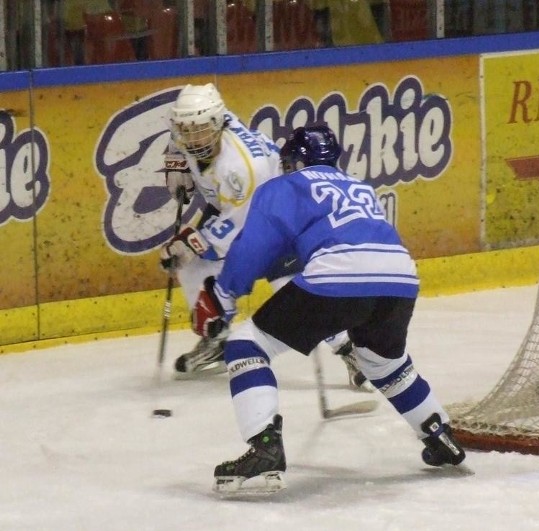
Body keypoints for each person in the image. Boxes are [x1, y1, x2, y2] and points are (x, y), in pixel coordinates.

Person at [189, 125, 466, 493]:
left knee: (246, 346)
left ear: (297, 161)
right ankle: (438, 432)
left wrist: (222, 297)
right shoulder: (358, 186)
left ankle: (263, 446)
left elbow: (254, 247)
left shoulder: (285, 185)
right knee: (384, 363)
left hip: (340, 273)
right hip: (400, 277)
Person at [159, 83, 367, 390]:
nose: (192, 138)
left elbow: (240, 227)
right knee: (191, 267)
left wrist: (192, 243)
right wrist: (175, 162)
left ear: (217, 125)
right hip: (235, 205)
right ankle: (218, 340)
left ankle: (353, 351)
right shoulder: (205, 123)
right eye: (186, 131)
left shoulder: (241, 166)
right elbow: (182, 135)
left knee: (292, 292)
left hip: (277, 213)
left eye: (199, 132)